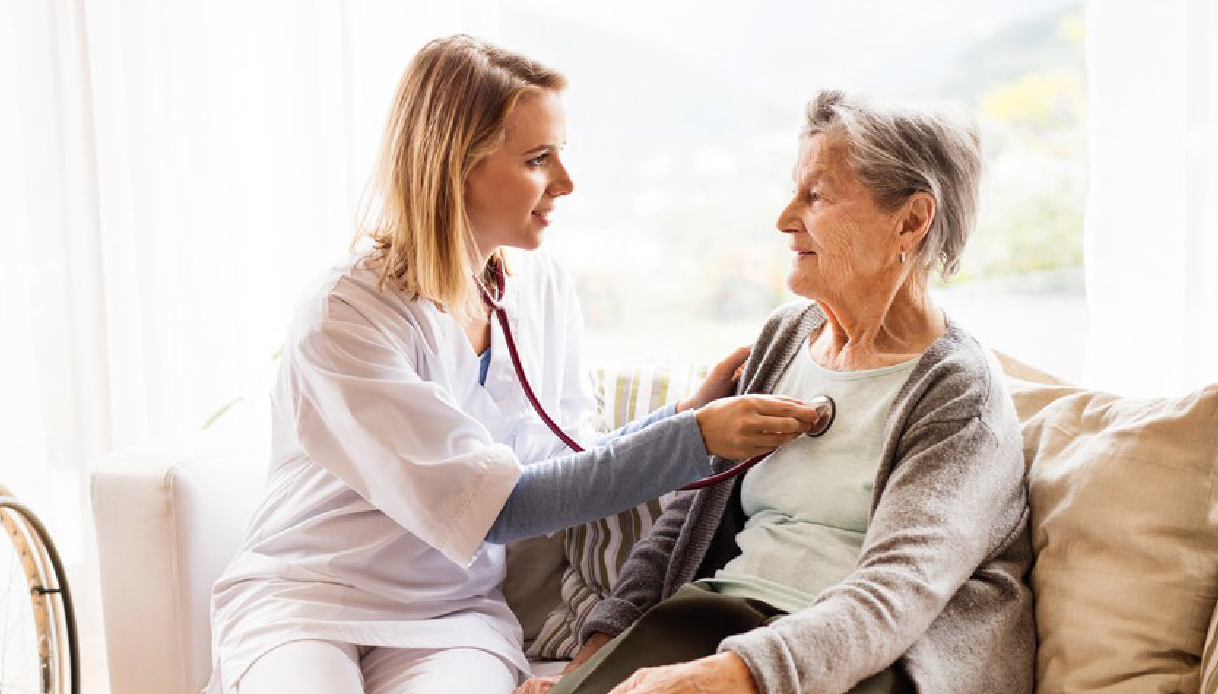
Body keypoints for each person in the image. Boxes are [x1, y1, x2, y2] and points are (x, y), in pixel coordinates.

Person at [207, 35, 827, 694]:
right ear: (451, 165)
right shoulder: (347, 314)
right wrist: (694, 439)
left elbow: (561, 466)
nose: (565, 182)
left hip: (450, 614)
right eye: (538, 159)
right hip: (310, 602)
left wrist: (682, 417)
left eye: (562, 154)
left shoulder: (541, 288)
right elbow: (503, 507)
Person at [519, 90, 1034, 694]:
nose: (785, 218)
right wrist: (594, 661)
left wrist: (731, 675)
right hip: (715, 621)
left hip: (865, 658)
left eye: (815, 195)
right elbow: (686, 523)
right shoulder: (786, 336)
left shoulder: (957, 391)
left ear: (912, 221)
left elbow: (897, 592)